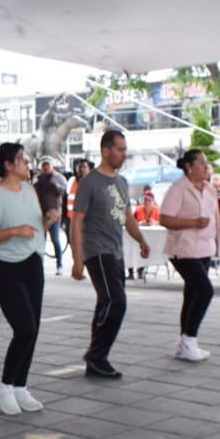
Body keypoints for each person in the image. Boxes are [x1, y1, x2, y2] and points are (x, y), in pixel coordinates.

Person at [0, 143, 52, 415]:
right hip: (6, 267)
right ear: (8, 165)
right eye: (21, 159)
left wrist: (47, 223)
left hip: (33, 262)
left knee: (34, 328)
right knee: (25, 328)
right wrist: (13, 231)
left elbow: (32, 230)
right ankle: (5, 385)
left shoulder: (30, 190)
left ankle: (21, 385)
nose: (26, 162)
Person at [69, 130, 150, 379]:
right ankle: (96, 355)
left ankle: (96, 361)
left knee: (105, 303)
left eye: (125, 149)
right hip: (97, 251)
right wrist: (77, 259)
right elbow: (76, 222)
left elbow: (127, 217)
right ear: (106, 150)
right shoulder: (90, 183)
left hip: (116, 251)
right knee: (117, 301)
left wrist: (141, 240)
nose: (124, 154)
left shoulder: (121, 182)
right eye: (120, 149)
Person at [159, 149, 220, 362]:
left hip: (205, 249)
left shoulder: (209, 189)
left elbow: (212, 216)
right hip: (184, 249)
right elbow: (165, 219)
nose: (206, 167)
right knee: (205, 291)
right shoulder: (178, 188)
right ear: (189, 166)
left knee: (192, 294)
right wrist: (193, 223)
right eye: (202, 163)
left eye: (206, 163)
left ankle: (184, 343)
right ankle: (190, 339)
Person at [34, 159, 68, 275]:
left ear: (52, 166)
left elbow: (62, 191)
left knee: (55, 239)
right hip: (40, 214)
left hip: (54, 213)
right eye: (43, 166)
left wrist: (53, 185)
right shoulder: (38, 179)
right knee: (40, 241)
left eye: (47, 165)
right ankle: (39, 265)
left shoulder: (58, 178)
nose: (45, 168)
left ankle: (59, 265)